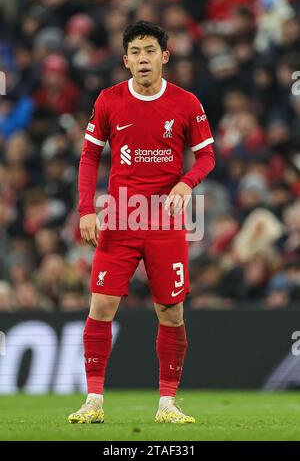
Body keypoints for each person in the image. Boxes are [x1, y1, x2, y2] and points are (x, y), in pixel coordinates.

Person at [68, 21, 215, 424]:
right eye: (135, 52)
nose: (143, 59)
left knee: (171, 312)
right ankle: (93, 401)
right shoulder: (109, 100)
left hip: (165, 222)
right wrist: (86, 209)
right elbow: (89, 157)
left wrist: (186, 183)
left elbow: (207, 157)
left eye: (150, 50)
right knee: (101, 304)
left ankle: (167, 403)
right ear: (125, 59)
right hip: (119, 216)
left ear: (164, 56)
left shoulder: (186, 103)